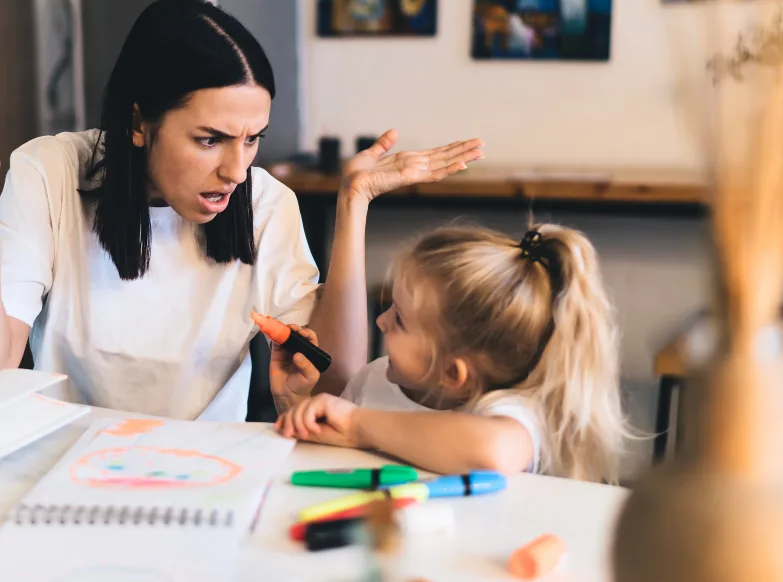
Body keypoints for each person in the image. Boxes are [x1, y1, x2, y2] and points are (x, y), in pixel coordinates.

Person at [0, 0, 483, 420]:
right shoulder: (50, 172)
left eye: (252, 139)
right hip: (61, 468)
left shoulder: (266, 203)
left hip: (206, 478)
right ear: (140, 122)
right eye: (209, 139)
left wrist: (354, 204)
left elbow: (335, 379)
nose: (236, 170)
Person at [271, 147, 632, 482]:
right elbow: (329, 458)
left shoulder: (510, 412)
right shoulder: (374, 380)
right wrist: (298, 406)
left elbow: (492, 452)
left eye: (399, 321)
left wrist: (358, 424)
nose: (380, 322)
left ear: (452, 373)